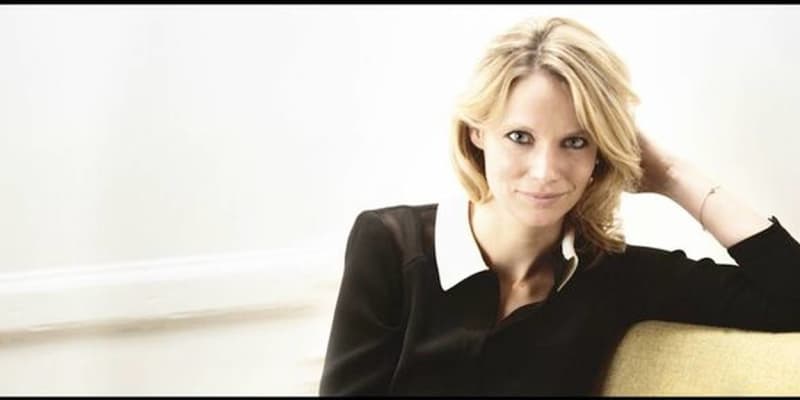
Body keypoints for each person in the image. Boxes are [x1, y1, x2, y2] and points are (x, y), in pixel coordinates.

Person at [318, 16, 800, 396]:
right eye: (520, 137)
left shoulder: (612, 276)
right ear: (477, 133)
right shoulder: (390, 247)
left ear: (600, 152)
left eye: (575, 141)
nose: (546, 171)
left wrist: (673, 176)